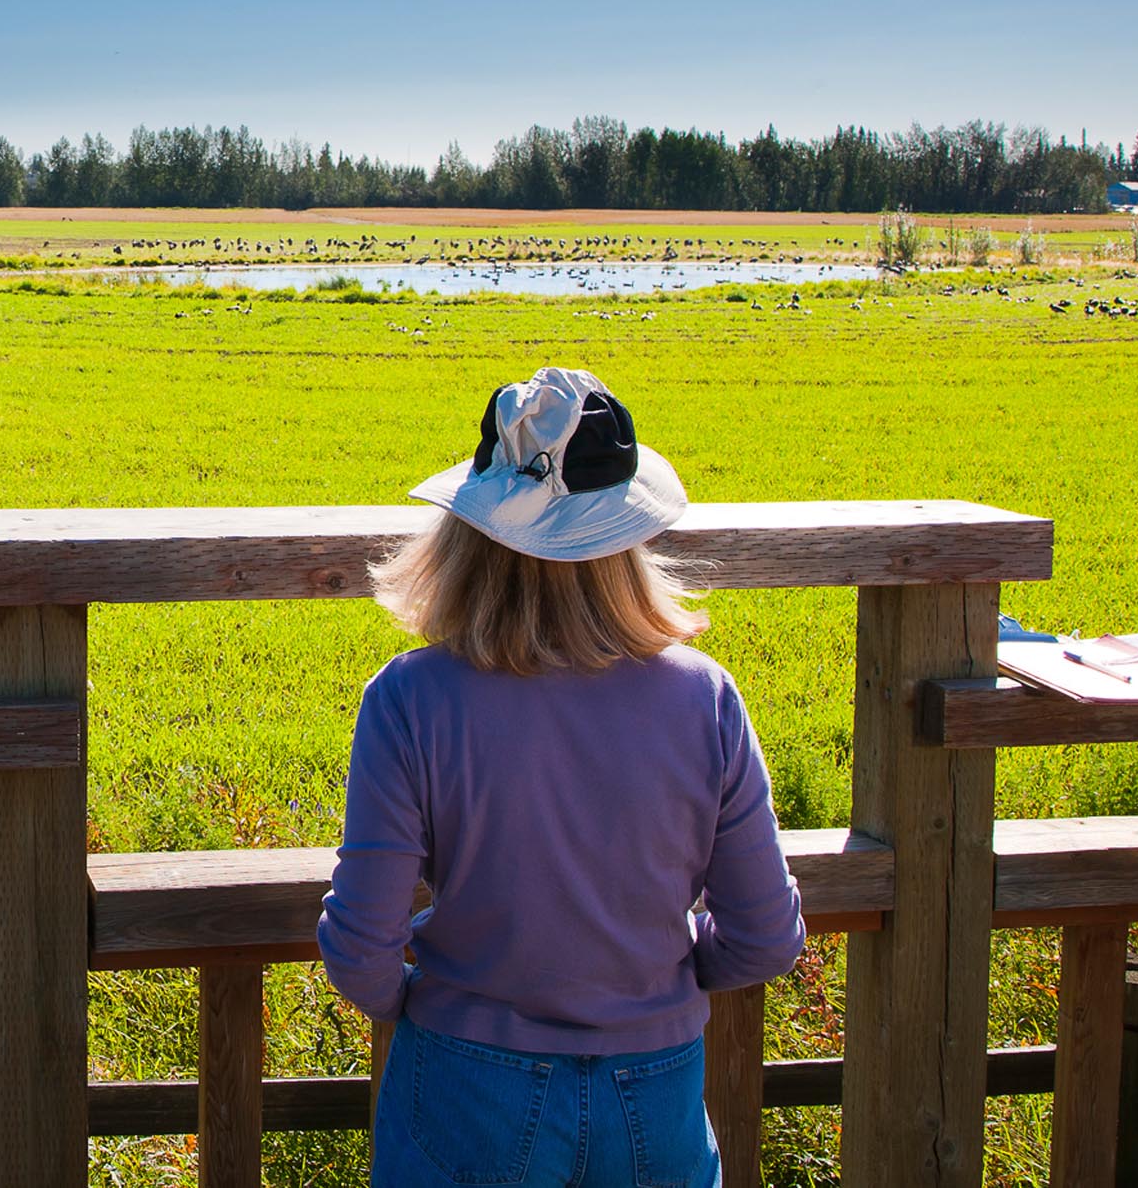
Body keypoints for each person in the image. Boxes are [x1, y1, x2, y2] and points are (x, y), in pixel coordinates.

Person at [318, 366, 803, 1188]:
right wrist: (666, 983)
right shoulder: (704, 696)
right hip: (656, 1092)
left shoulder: (408, 698)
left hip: (466, 1082)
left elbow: (361, 947)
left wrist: (429, 1005)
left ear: (468, 535)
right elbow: (765, 935)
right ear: (627, 538)